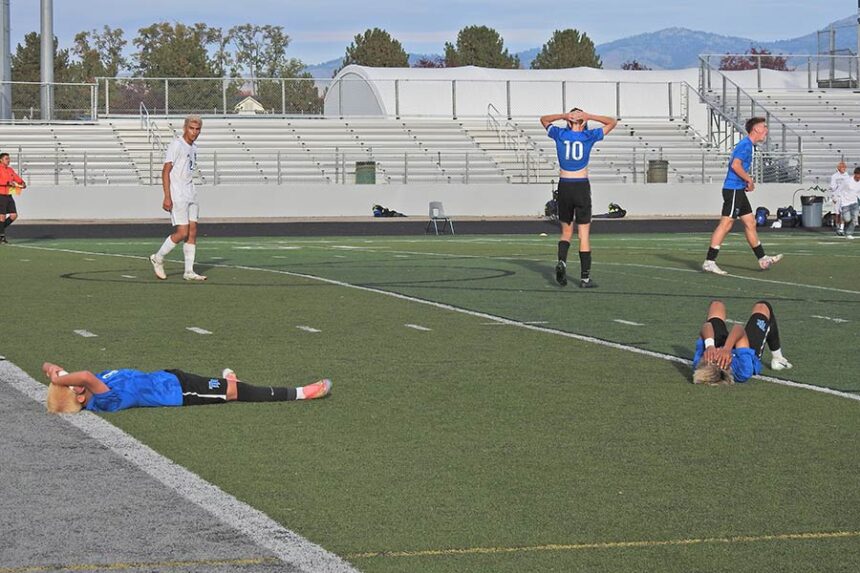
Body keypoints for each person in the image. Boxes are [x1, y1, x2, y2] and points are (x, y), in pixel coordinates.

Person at [42, 361, 331, 414]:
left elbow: (53, 366)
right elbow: (84, 375)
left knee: (226, 388)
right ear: (79, 392)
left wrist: (54, 372)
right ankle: (301, 393)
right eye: (71, 384)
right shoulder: (104, 401)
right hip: (180, 393)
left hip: (171, 378)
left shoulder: (92, 388)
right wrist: (59, 378)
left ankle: (232, 382)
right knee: (235, 393)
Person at [540, 108, 617, 288]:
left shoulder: (560, 134)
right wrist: (590, 116)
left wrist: (562, 116)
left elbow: (543, 119)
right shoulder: (589, 136)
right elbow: (612, 122)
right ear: (583, 122)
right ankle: (585, 278)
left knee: (566, 232)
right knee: (584, 235)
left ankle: (562, 262)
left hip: (564, 185)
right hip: (581, 185)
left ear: (569, 121)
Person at [702, 117, 783, 275]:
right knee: (726, 224)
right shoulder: (745, 145)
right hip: (732, 190)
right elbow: (735, 165)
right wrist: (749, 179)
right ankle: (709, 261)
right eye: (764, 127)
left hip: (738, 189)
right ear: (756, 129)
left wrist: (746, 181)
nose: (766, 130)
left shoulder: (749, 146)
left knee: (750, 222)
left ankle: (762, 258)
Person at [150, 115, 206, 281]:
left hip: (191, 192)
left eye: (197, 129)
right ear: (185, 128)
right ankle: (158, 257)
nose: (194, 132)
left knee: (193, 231)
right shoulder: (177, 145)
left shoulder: (194, 147)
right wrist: (167, 196)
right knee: (182, 232)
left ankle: (189, 271)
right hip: (178, 193)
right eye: (191, 128)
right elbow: (166, 170)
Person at [691, 299, 792, 385]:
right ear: (726, 366)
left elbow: (707, 326)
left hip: (718, 344)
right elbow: (738, 330)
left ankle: (720, 344)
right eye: (717, 360)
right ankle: (778, 358)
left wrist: (709, 346)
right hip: (744, 347)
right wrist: (727, 348)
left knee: (717, 305)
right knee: (762, 307)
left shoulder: (701, 361)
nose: (715, 356)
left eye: (712, 360)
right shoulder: (743, 369)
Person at [0, 152, 27, 244]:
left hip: (8, 194)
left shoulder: (10, 169)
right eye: (6, 158)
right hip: (1, 195)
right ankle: (2, 237)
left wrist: (22, 182)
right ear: (1, 160)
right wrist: (7, 183)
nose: (8, 160)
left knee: (14, 215)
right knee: (2, 216)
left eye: (9, 158)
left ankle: (0, 231)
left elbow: (16, 178)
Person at [837, 166, 860, 240]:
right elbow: (840, 189)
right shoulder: (848, 181)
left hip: (854, 202)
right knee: (847, 219)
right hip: (845, 203)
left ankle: (849, 233)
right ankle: (843, 222)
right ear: (855, 174)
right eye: (858, 174)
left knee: (855, 219)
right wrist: (837, 198)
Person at [829, 161, 851, 236]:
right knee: (837, 214)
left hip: (844, 197)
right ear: (839, 168)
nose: (844, 169)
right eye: (842, 167)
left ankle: (841, 228)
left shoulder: (847, 176)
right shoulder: (834, 176)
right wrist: (833, 196)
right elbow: (832, 187)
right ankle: (837, 227)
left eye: (844, 167)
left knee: (843, 213)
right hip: (836, 196)